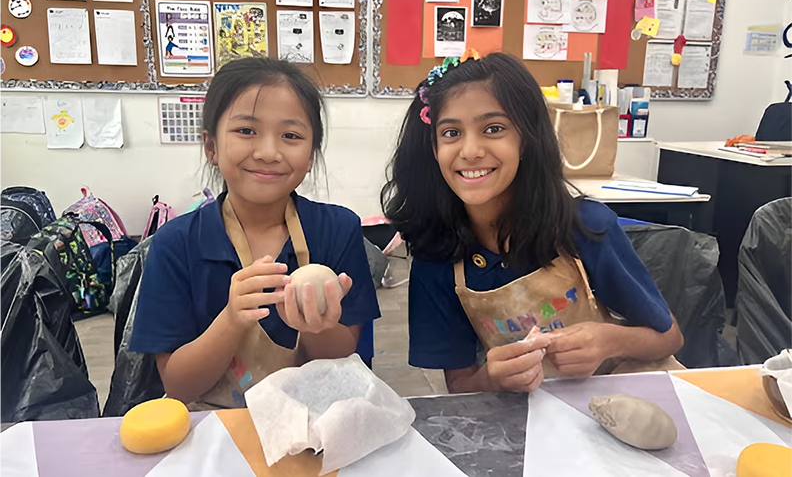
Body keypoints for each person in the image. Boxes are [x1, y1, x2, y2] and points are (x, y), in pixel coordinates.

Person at [381, 50, 684, 395]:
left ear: (526, 138)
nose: (470, 150)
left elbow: (669, 337)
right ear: (432, 148)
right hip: (525, 425)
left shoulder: (584, 227)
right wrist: (493, 377)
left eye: (493, 129)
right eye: (451, 132)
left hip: (621, 408)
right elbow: (461, 385)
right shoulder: (436, 256)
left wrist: (609, 340)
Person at [130, 57, 380, 408]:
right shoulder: (176, 245)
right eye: (246, 131)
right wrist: (231, 319)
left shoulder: (337, 231)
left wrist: (316, 325)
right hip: (215, 431)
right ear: (211, 147)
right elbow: (178, 386)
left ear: (310, 157)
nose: (268, 152)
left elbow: (343, 363)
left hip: (311, 429)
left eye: (291, 136)